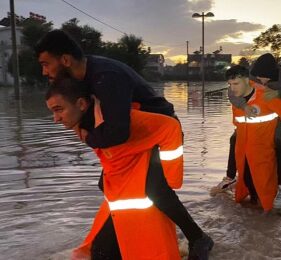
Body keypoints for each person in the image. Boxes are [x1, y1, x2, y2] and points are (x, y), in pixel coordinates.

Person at [36, 29, 212, 259]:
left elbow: (118, 131)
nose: (44, 71)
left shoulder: (106, 77)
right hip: (134, 137)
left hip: (157, 133)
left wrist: (88, 136)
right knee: (106, 184)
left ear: (65, 60)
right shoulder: (82, 77)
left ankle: (198, 238)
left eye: (46, 64)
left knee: (154, 188)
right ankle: (120, 239)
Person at [212, 54, 281, 209]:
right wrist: (243, 106)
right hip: (253, 116)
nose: (263, 82)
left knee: (280, 144)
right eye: (260, 78)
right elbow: (233, 91)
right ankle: (231, 177)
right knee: (235, 140)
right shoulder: (248, 75)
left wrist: (278, 93)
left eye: (267, 79)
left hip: (277, 115)